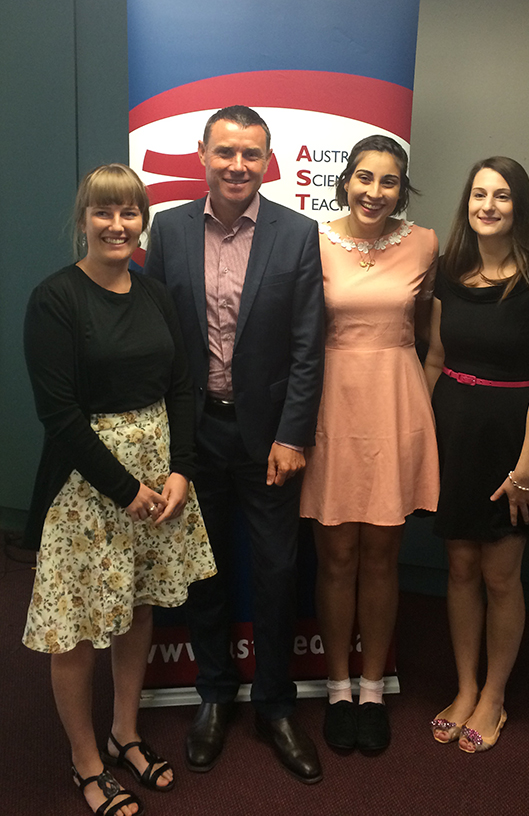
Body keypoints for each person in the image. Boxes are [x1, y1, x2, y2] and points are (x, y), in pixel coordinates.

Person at [22, 164, 216, 816]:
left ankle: (124, 732)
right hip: (87, 489)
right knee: (75, 630)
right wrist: (124, 488)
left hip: (159, 482)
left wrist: (180, 469)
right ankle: (86, 762)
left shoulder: (156, 295)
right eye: (103, 212)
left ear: (142, 221)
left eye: (129, 212)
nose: (116, 224)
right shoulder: (55, 299)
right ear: (83, 220)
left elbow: (181, 386)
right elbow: (59, 415)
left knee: (138, 609)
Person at [144, 106, 325, 784]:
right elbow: (158, 340)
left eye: (251, 154)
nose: (237, 165)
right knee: (205, 574)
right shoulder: (168, 230)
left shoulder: (296, 233)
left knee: (277, 574)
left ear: (268, 162)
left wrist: (292, 434)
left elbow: (308, 347)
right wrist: (169, 444)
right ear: (203, 154)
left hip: (270, 441)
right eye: (225, 151)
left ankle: (276, 706)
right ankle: (215, 697)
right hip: (196, 436)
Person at [424, 157, 529, 753]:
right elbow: (436, 360)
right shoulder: (447, 272)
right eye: (480, 194)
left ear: (520, 207)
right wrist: (419, 436)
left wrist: (526, 473)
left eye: (503, 195)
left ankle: (493, 697)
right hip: (455, 433)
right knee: (460, 568)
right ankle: (466, 687)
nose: (488, 205)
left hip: (515, 443)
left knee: (500, 575)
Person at [300, 135, 440, 753]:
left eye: (388, 181)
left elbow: (431, 336)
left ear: (402, 189)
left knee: (383, 556)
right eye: (364, 177)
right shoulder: (313, 241)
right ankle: (338, 688)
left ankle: (374, 689)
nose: (374, 192)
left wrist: (419, 401)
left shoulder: (425, 244)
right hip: (331, 406)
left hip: (395, 405)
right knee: (335, 556)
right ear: (345, 180)